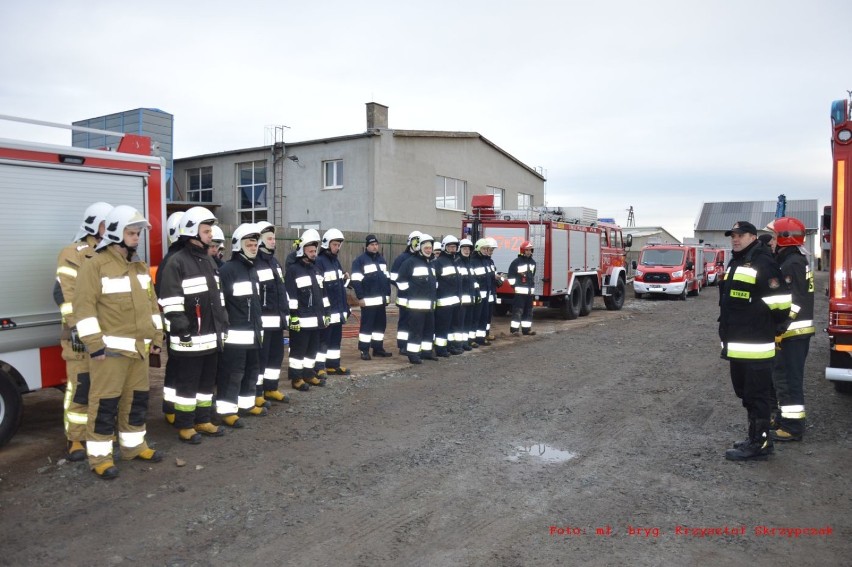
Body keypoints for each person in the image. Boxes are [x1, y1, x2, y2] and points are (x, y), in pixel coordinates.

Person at [73, 205, 164, 479]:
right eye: (132, 232)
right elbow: (83, 309)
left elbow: (151, 307)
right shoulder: (95, 265)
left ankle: (134, 446)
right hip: (110, 353)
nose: (137, 237)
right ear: (115, 233)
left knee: (136, 402)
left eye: (138, 233)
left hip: (138, 351)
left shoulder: (139, 267)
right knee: (104, 404)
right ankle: (99, 458)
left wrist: (157, 337)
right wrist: (95, 344)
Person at [719, 221, 791, 461]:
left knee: (758, 395)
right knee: (746, 394)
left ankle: (760, 445)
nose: (735, 239)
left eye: (740, 235)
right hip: (738, 345)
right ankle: (755, 437)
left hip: (757, 346)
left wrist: (766, 324)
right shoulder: (737, 261)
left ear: (753, 236)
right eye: (733, 236)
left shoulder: (764, 262)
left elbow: (781, 304)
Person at [157, 207, 228, 444]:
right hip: (189, 339)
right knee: (188, 384)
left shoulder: (209, 261)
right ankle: (186, 425)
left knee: (206, 382)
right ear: (191, 232)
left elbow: (217, 299)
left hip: (210, 336)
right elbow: (170, 299)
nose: (210, 235)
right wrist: (182, 328)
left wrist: (223, 324)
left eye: (209, 231)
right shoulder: (177, 262)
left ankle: (203, 419)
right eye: (206, 231)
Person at [54, 201, 113, 461]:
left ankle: (100, 435)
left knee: (107, 389)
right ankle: (76, 439)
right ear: (92, 224)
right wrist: (81, 329)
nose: (109, 228)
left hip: (110, 334)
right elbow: (67, 294)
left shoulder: (113, 253)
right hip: (81, 338)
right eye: (104, 223)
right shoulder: (73, 253)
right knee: (81, 389)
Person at [216, 223, 266, 429]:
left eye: (255, 244)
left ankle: (246, 404)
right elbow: (221, 303)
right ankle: (227, 411)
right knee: (233, 373)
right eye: (250, 244)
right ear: (239, 245)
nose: (254, 247)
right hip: (236, 335)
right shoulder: (228, 270)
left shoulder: (252, 270)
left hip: (253, 333)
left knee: (252, 370)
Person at [770, 217, 815, 442]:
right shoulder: (794, 260)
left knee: (789, 379)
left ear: (784, 238)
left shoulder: (792, 264)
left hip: (792, 334)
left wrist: (780, 328)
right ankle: (783, 419)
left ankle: (792, 427)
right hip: (793, 334)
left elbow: (794, 301)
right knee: (782, 378)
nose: (770, 241)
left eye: (774, 236)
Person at [286, 229, 331, 390]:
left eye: (315, 250)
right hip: (301, 321)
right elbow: (291, 297)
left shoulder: (316, 270)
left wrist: (327, 313)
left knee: (312, 350)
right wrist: (293, 317)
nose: (314, 253)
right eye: (310, 251)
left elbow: (323, 294)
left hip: (316, 320)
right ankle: (296, 379)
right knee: (299, 351)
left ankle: (309, 374)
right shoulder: (293, 270)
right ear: (302, 251)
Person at [254, 221, 291, 405]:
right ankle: (257, 392)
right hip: (263, 323)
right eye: (269, 238)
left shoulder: (275, 263)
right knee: (261, 359)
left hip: (277, 322)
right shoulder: (255, 262)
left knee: (276, 357)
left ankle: (271, 388)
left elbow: (281, 291)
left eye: (274, 238)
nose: (273, 241)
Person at [157, 210, 185, 426]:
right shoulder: (172, 262)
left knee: (184, 369)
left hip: (187, 324)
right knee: (177, 368)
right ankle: (171, 407)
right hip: (177, 325)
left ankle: (178, 407)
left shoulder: (181, 259)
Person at [350, 234, 394, 360]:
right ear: (366, 246)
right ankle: (364, 350)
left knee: (380, 326)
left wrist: (387, 295)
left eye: (376, 245)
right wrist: (360, 297)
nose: (375, 247)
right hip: (368, 302)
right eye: (372, 245)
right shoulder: (360, 261)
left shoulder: (382, 260)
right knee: (367, 327)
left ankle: (378, 348)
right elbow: (356, 281)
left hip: (381, 301)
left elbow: (386, 278)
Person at [397, 234, 438, 364]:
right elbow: (401, 281)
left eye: (430, 248)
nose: (428, 250)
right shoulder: (410, 262)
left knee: (428, 331)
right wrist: (412, 292)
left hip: (430, 306)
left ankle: (426, 352)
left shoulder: (430, 263)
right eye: (426, 248)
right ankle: (413, 354)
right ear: (420, 248)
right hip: (416, 307)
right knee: (415, 331)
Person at [316, 228, 351, 376]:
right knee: (323, 340)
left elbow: (339, 286)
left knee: (335, 341)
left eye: (338, 245)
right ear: (327, 244)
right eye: (335, 244)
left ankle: (333, 365)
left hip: (338, 310)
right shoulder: (320, 262)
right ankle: (318, 367)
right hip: (327, 310)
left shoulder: (335, 262)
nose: (337, 247)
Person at [390, 231, 421, 353]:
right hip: (404, 298)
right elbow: (393, 278)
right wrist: (407, 288)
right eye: (415, 241)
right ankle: (402, 345)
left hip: (417, 298)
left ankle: (413, 344)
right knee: (404, 322)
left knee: (415, 322)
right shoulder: (402, 259)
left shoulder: (421, 259)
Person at [433, 235, 463, 356]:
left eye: (454, 247)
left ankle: (450, 346)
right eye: (450, 247)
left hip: (455, 300)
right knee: (442, 327)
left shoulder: (456, 261)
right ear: (445, 247)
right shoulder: (439, 262)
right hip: (443, 301)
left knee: (452, 326)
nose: (453, 249)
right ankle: (440, 349)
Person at [507, 240, 537, 336]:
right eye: (527, 250)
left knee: (528, 312)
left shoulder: (533, 262)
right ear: (522, 251)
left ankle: (526, 330)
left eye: (530, 250)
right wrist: (514, 286)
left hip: (529, 292)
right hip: (520, 292)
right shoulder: (516, 262)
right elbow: (511, 276)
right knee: (518, 311)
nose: (529, 252)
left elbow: (532, 275)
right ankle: (514, 330)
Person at [457, 238, 479, 350]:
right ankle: (459, 344)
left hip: (471, 298)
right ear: (460, 249)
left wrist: (477, 293)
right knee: (460, 324)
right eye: (464, 248)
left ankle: (465, 343)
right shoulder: (458, 263)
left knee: (467, 323)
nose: (467, 251)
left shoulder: (469, 264)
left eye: (468, 249)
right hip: (461, 301)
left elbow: (473, 281)